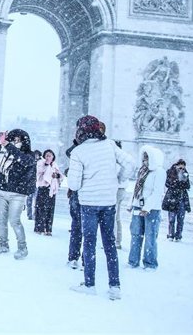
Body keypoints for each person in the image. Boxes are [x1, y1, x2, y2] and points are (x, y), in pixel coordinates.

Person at [67, 115, 134, 300]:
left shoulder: (78, 152)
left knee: (89, 243)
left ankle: (89, 284)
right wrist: (118, 179)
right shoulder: (110, 145)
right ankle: (115, 286)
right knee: (109, 243)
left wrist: (85, 183)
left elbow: (73, 185)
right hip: (108, 201)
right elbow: (130, 164)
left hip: (88, 202)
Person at [0, 128, 36, 260]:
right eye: (13, 139)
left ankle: (22, 248)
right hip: (2, 190)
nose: (15, 142)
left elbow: (23, 160)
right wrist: (0, 142)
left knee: (14, 221)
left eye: (18, 140)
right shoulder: (5, 152)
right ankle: (3, 244)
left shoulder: (29, 155)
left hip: (18, 193)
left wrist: (8, 145)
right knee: (1, 220)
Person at [127, 145, 165, 270]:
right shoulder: (142, 171)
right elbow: (136, 189)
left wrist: (147, 208)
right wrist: (131, 204)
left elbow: (157, 192)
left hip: (152, 209)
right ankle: (133, 261)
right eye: (143, 158)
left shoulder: (159, 172)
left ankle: (150, 263)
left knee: (150, 236)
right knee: (135, 234)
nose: (144, 161)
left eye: (147, 158)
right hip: (138, 206)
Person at [33, 149, 61, 236]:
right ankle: (39, 228)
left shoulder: (55, 165)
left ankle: (48, 229)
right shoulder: (41, 163)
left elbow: (60, 176)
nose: (48, 157)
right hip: (43, 188)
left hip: (52, 190)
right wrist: (46, 165)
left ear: (53, 156)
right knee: (40, 208)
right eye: (47, 155)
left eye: (50, 155)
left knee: (50, 210)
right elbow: (38, 173)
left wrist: (57, 176)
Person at [162, 159, 191, 241]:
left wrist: (184, 179)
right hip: (172, 198)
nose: (181, 169)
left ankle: (178, 235)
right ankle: (170, 235)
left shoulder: (185, 173)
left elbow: (188, 186)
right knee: (171, 219)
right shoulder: (170, 172)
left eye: (183, 167)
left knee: (180, 219)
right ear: (176, 165)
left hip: (182, 198)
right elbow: (167, 183)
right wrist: (176, 182)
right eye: (180, 167)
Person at [65, 139, 82, 269]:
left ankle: (79, 258)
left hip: (87, 193)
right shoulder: (79, 150)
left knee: (83, 229)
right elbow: (69, 152)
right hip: (77, 193)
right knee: (77, 226)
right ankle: (73, 257)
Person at [113, 140, 127, 249]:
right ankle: (117, 240)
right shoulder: (122, 159)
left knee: (113, 216)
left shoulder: (116, 160)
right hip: (121, 189)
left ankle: (114, 241)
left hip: (116, 189)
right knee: (116, 217)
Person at [26, 150, 42, 220]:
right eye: (35, 155)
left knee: (37, 201)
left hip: (38, 184)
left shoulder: (42, 163)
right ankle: (29, 215)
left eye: (37, 155)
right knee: (29, 200)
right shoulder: (30, 161)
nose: (36, 156)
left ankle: (35, 214)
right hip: (30, 183)